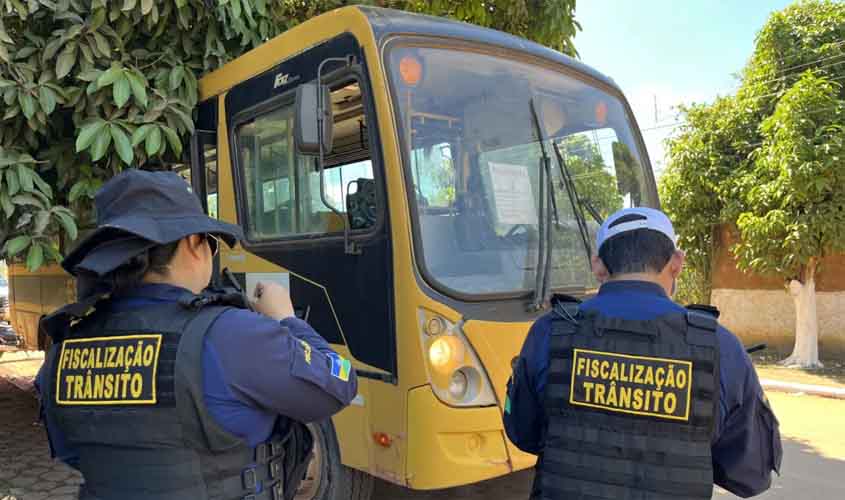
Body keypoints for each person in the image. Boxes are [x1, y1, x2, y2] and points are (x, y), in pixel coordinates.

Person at [35, 169, 358, 500]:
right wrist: (286, 319)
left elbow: (71, 452)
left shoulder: (62, 352)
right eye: (212, 243)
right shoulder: (232, 335)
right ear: (192, 243)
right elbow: (339, 383)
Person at [503, 207, 782, 499]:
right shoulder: (720, 347)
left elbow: (524, 433)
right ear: (676, 262)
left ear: (598, 266)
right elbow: (750, 475)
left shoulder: (551, 330)